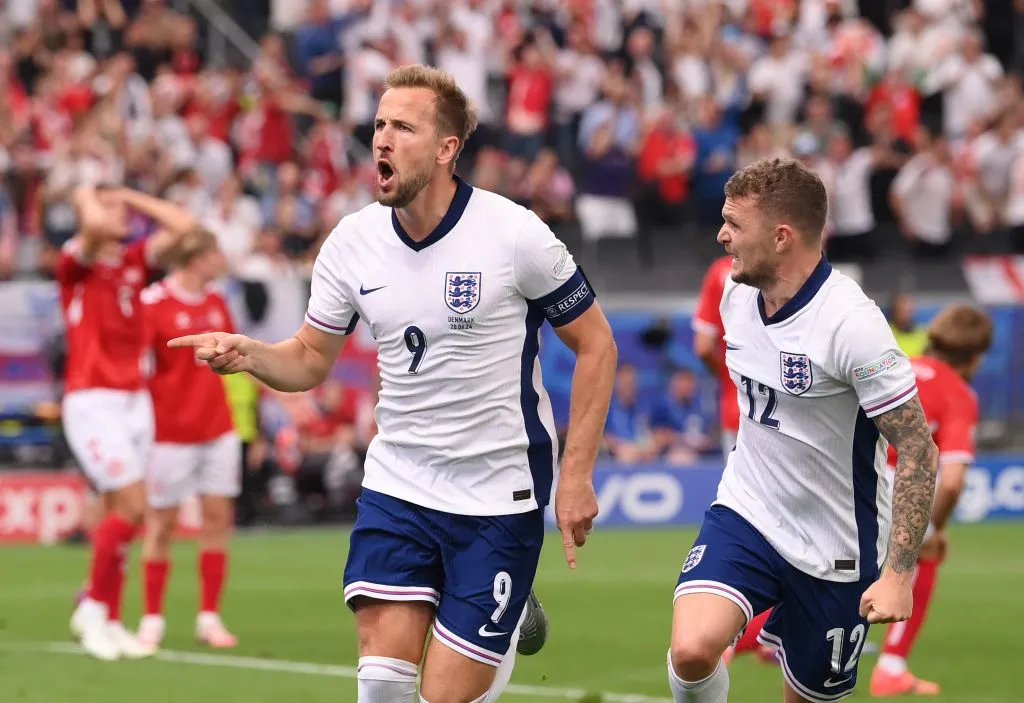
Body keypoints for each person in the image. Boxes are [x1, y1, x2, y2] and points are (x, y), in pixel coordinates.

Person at [169, 64, 618, 703]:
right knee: (380, 688)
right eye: (379, 124)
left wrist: (575, 478)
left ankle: (510, 609)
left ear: (445, 150)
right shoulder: (351, 243)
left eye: (402, 127)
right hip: (398, 484)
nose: (381, 138)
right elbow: (307, 360)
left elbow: (597, 343)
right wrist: (251, 355)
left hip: (496, 494)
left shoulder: (514, 234)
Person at [669, 158, 940, 703]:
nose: (721, 236)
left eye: (734, 224)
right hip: (749, 511)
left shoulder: (851, 325)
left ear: (782, 236)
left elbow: (916, 448)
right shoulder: (733, 292)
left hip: (838, 543)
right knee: (692, 649)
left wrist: (899, 574)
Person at [62, 186, 197, 661]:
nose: (118, 214)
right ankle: (95, 611)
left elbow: (184, 226)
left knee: (128, 512)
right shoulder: (75, 262)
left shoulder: (134, 261)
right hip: (93, 400)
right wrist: (89, 198)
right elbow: (94, 229)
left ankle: (111, 618)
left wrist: (128, 195)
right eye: (110, 207)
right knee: (133, 504)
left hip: (133, 401)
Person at [869, 305, 993, 697]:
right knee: (927, 552)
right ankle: (891, 665)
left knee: (817, 577)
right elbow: (953, 482)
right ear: (974, 357)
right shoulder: (958, 393)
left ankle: (731, 641)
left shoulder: (896, 365)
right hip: (895, 488)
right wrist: (932, 528)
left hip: (848, 478)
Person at [134, 229, 242, 653]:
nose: (220, 257)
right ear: (196, 257)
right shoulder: (153, 304)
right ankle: (152, 619)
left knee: (216, 521)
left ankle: (209, 617)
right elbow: (138, 366)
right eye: (214, 250)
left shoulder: (216, 302)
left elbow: (238, 357)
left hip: (218, 429)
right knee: (160, 524)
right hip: (169, 434)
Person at [692, 253, 776, 666]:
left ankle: (755, 632)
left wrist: (731, 378)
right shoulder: (793, 264)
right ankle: (748, 634)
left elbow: (703, 344)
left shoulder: (720, 272)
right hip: (791, 413)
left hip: (737, 409)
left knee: (752, 515)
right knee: (780, 520)